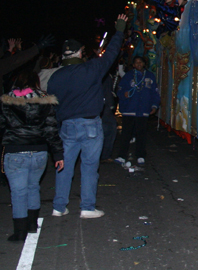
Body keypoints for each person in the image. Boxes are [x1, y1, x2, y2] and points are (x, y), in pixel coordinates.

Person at [47, 14, 127, 219]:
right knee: (90, 167)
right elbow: (110, 55)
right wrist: (119, 30)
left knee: (64, 167)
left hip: (66, 126)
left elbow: (52, 106)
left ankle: (59, 206)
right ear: (79, 53)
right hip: (90, 124)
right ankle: (87, 207)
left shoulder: (55, 76)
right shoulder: (90, 69)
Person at [0, 70, 64, 242]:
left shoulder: (7, 101)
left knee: (18, 192)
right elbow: (51, 129)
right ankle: (32, 225)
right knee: (33, 186)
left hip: (15, 151)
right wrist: (58, 153)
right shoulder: (45, 101)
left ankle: (20, 232)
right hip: (39, 152)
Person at [115, 56, 160, 166]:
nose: (138, 64)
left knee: (141, 134)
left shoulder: (150, 76)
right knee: (126, 134)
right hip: (129, 109)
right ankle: (122, 156)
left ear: (144, 63)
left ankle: (140, 156)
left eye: (140, 62)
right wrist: (124, 94)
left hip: (143, 110)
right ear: (133, 65)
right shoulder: (128, 76)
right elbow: (119, 90)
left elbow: (155, 93)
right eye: (136, 62)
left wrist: (154, 106)